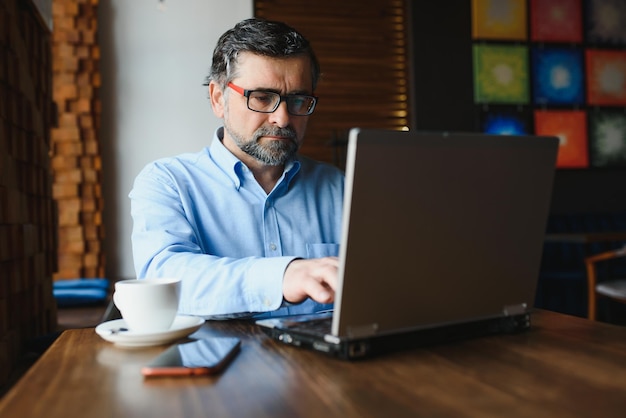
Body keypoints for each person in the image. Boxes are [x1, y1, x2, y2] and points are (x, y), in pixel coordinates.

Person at [129, 18, 344, 319]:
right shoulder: (167, 183)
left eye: (297, 100)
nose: (282, 118)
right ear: (218, 99)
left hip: (327, 365)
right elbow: (165, 279)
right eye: (261, 97)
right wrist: (282, 276)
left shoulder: (340, 187)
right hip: (218, 364)